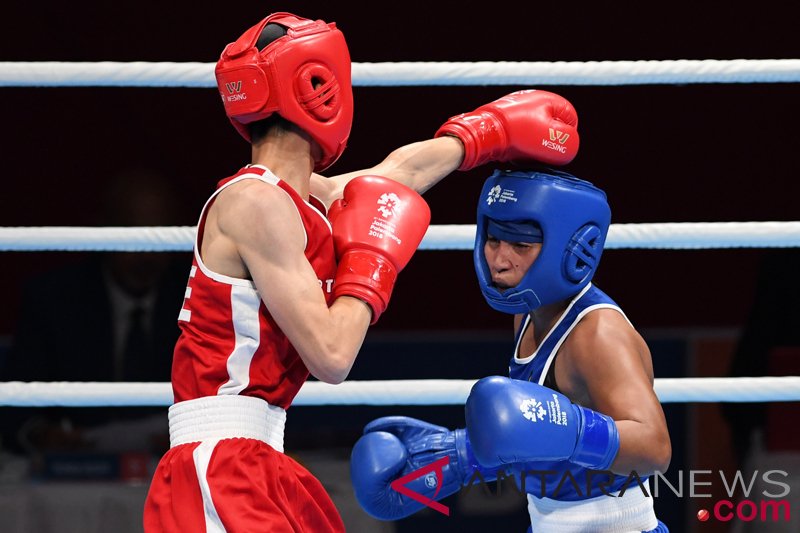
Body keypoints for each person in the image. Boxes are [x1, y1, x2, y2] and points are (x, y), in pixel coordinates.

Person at [142, 10, 581, 533]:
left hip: (254, 457)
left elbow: (397, 175)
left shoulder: (295, 197)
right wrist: (372, 264)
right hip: (218, 465)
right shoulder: (255, 205)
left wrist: (485, 134)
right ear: (319, 87)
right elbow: (331, 354)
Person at [350, 168, 672, 531]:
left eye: (521, 246)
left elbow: (655, 448)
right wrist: (462, 456)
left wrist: (572, 429)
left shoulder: (597, 334)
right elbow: (539, 432)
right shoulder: (527, 312)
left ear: (571, 248)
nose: (500, 261)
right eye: (493, 240)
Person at [1, 169, 187, 458]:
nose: (147, 252)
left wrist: (191, 434)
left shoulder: (195, 297)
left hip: (171, 470)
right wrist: (41, 434)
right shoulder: (54, 299)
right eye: (133, 232)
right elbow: (16, 407)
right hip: (70, 480)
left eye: (159, 232)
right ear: (103, 227)